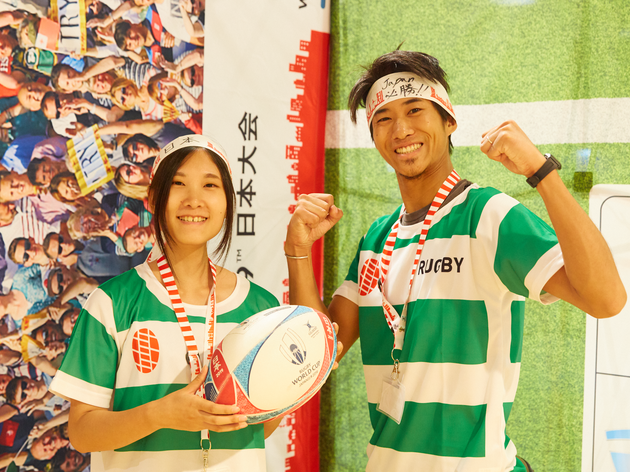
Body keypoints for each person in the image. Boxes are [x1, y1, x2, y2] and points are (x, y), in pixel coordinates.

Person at [284, 50, 627, 472]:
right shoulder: (376, 238)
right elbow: (318, 357)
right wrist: (297, 251)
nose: (401, 129)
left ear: (449, 121)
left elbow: (606, 299)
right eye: (384, 118)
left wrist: (541, 172)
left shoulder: (487, 215)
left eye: (415, 110)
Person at [50, 134, 281, 472]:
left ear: (227, 202)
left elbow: (262, 425)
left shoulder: (260, 307)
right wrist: (159, 415)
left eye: (210, 185)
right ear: (152, 199)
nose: (194, 200)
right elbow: (83, 433)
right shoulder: (111, 303)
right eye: (177, 184)